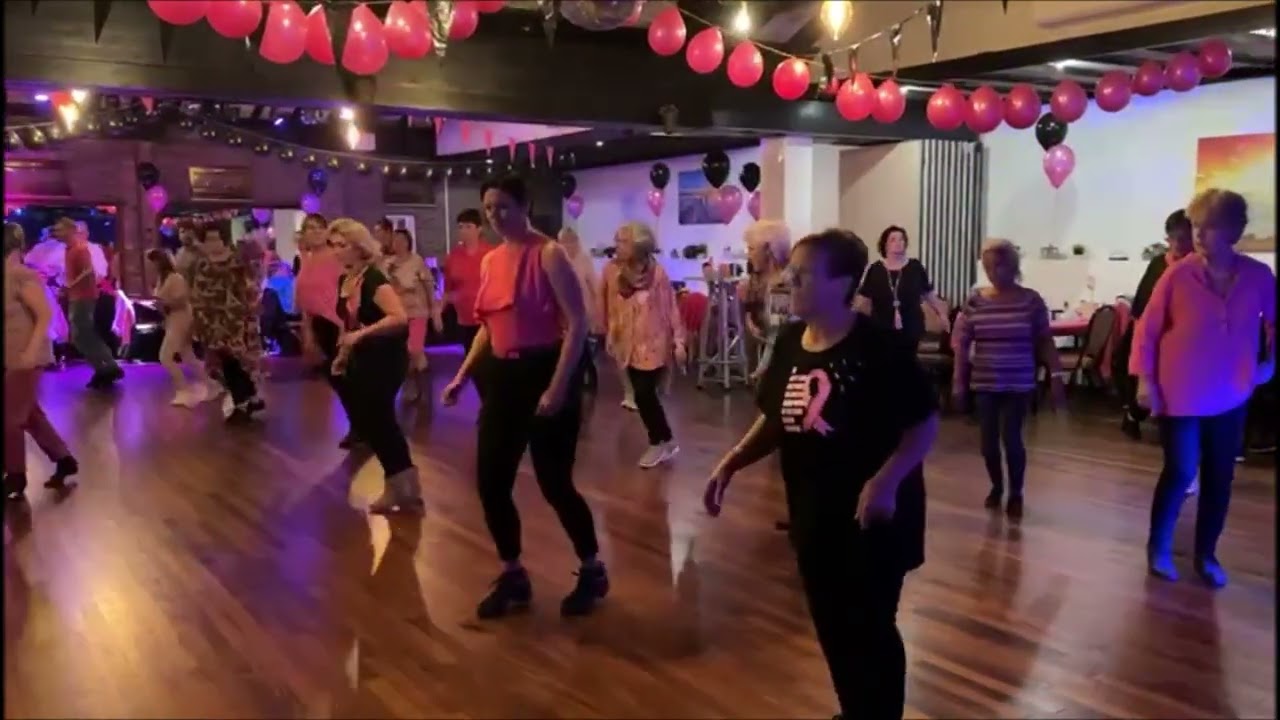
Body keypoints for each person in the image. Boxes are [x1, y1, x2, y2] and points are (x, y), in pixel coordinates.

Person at [703, 228, 940, 720]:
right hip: (814, 515)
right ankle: (855, 711)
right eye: (791, 273)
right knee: (832, 624)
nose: (789, 282)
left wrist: (885, 481)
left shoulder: (879, 347)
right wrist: (734, 460)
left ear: (842, 284)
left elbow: (924, 423)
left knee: (871, 627)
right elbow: (776, 415)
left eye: (803, 275)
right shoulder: (791, 341)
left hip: (875, 519)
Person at [440, 175, 606, 619]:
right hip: (503, 376)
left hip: (544, 369)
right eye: (488, 208)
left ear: (524, 206)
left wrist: (557, 387)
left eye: (503, 207)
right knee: (491, 481)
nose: (495, 215)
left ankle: (592, 567)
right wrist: (461, 376)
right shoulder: (493, 260)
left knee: (555, 483)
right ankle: (513, 573)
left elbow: (578, 323)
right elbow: (487, 327)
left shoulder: (548, 254)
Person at [1132, 189, 1275, 588]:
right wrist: (1144, 379)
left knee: (1219, 475)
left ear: (1234, 231)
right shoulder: (1177, 274)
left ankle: (1206, 554)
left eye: (1209, 227)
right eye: (1196, 225)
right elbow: (1147, 329)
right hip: (1179, 392)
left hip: (1232, 392)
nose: (1198, 234)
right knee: (1180, 471)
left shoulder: (1258, 276)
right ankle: (1159, 548)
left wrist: (1270, 363)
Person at [952, 239, 1066, 519]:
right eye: (988, 267)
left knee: (1012, 439)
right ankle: (997, 486)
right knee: (988, 444)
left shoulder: (1031, 301)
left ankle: (1016, 493)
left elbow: (1045, 340)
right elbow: (961, 344)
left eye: (999, 266)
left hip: (1019, 381)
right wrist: (958, 381)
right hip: (985, 381)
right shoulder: (975, 301)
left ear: (1012, 267)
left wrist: (1056, 376)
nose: (993, 272)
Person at [329, 219, 423, 514]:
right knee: (372, 422)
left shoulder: (373, 278)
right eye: (334, 245)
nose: (337, 251)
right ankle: (402, 485)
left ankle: (402, 485)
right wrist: (344, 350)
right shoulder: (346, 279)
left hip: (386, 357)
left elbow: (398, 317)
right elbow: (349, 323)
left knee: (380, 420)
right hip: (363, 357)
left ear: (359, 247)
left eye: (342, 245)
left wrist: (361, 335)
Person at [602, 222, 687, 468]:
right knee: (640, 396)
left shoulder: (657, 274)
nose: (617, 246)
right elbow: (612, 307)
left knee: (643, 393)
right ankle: (665, 440)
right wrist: (610, 334)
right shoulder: (613, 271)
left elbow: (671, 308)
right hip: (628, 344)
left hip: (654, 343)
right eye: (617, 241)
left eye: (622, 241)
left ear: (638, 245)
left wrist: (679, 341)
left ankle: (659, 441)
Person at [5, 224, 79, 501]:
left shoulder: (22, 275)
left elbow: (44, 314)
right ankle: (64, 459)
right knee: (29, 414)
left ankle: (15, 476)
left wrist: (30, 352)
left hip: (26, 356)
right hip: (11, 355)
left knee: (10, 418)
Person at [1118, 210, 1194, 441]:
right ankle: (1134, 416)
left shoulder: (1199, 265)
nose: (1178, 245)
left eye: (1184, 239)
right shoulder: (1158, 264)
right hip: (1152, 333)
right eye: (1173, 239)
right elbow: (1141, 307)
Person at [190, 222, 265, 423]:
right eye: (209, 239)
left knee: (239, 360)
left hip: (236, 321)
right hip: (212, 322)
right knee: (222, 363)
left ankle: (245, 399)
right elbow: (198, 294)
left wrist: (246, 312)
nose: (213, 243)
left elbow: (250, 288)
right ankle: (245, 399)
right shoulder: (203, 266)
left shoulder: (237, 263)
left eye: (216, 238)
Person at [296, 213, 359, 447]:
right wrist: (307, 331)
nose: (314, 232)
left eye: (319, 228)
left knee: (344, 376)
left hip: (338, 323)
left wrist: (346, 327)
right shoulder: (306, 259)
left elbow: (349, 292)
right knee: (333, 376)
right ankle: (358, 424)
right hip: (318, 323)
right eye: (309, 228)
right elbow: (305, 299)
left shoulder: (336, 256)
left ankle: (361, 426)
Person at [855, 225, 950, 350]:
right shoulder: (875, 269)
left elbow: (929, 294)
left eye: (901, 239)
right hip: (880, 328)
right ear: (885, 244)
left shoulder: (915, 267)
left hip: (911, 328)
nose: (898, 243)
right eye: (893, 240)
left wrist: (942, 315)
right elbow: (863, 300)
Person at [54, 218, 122, 389]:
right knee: (81, 336)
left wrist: (70, 284)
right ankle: (104, 368)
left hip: (84, 297)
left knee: (83, 335)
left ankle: (109, 366)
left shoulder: (80, 249)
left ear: (70, 230)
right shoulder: (69, 249)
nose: (57, 233)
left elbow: (89, 270)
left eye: (60, 230)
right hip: (76, 296)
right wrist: (67, 286)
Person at [146, 248, 212, 407]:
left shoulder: (175, 278)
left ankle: (183, 389)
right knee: (188, 357)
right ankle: (212, 383)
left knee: (165, 356)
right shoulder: (162, 279)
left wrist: (164, 304)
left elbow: (182, 300)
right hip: (172, 319)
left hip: (181, 319)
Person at [383, 227, 442, 403]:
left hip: (418, 311)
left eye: (402, 240)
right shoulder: (388, 264)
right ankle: (413, 389)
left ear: (409, 242)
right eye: (395, 240)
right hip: (399, 314)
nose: (399, 243)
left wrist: (435, 312)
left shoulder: (417, 261)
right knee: (405, 354)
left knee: (415, 349)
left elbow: (429, 286)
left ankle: (425, 390)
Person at [740, 220, 794, 384]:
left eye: (752, 249)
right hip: (766, 357)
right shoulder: (759, 281)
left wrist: (761, 369)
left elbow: (776, 332)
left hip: (780, 365)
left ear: (768, 250)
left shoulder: (782, 284)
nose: (748, 254)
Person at [557, 227, 604, 390]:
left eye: (571, 241)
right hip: (563, 312)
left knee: (581, 347)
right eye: (563, 242)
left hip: (583, 312)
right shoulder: (557, 259)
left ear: (577, 242)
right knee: (573, 348)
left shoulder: (584, 260)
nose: (567, 245)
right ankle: (579, 379)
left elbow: (595, 287)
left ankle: (586, 380)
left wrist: (598, 314)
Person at [443, 209, 492, 356]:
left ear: (479, 229)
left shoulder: (490, 254)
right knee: (469, 358)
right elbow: (448, 289)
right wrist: (438, 311)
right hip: (464, 319)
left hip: (487, 319)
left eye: (468, 227)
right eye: (460, 227)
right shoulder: (453, 256)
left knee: (487, 359)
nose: (464, 231)